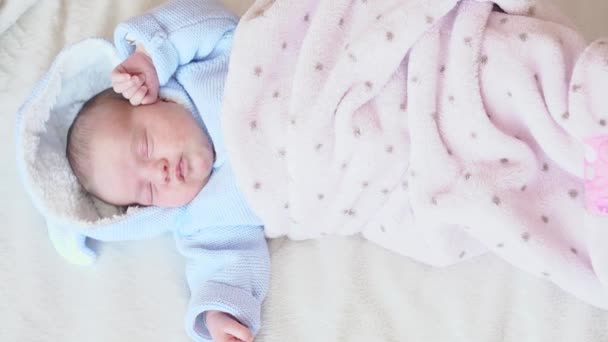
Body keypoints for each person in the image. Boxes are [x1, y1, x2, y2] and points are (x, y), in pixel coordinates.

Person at [64, 1, 270, 341]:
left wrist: (149, 58)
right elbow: (224, 261)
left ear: (151, 99)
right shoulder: (205, 215)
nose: (158, 172)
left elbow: (213, 24)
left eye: (145, 146)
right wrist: (220, 315)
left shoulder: (199, 73)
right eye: (148, 191)